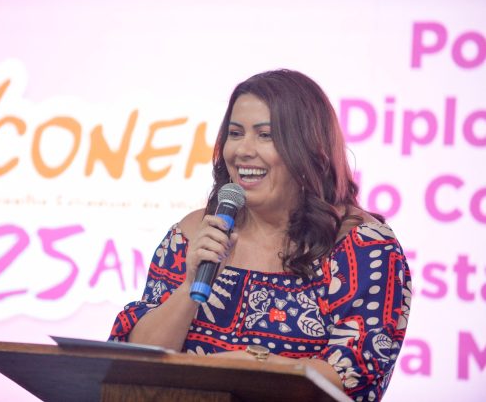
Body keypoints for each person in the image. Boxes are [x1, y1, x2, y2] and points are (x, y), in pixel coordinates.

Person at [108, 69, 412, 401]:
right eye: (235, 133)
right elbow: (134, 366)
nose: (243, 150)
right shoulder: (193, 233)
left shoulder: (363, 248)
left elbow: (356, 373)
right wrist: (188, 289)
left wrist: (253, 365)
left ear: (307, 146)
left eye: (265, 135)